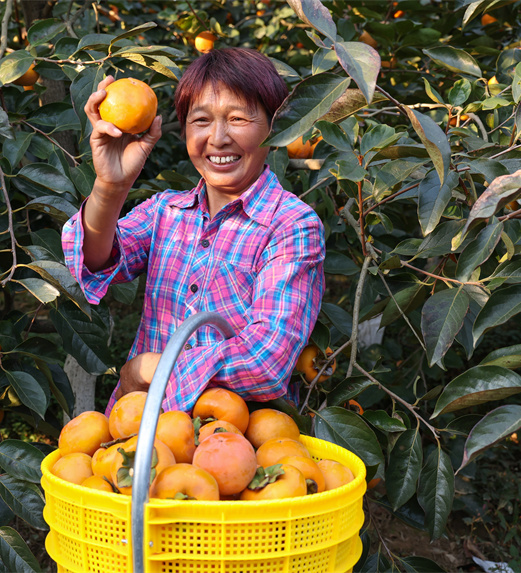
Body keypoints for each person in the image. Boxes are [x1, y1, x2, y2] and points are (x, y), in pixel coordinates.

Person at [61, 48, 325, 414]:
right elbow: (94, 259)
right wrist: (110, 184)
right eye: (200, 120)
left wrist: (146, 369)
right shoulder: (166, 212)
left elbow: (266, 360)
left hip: (230, 443)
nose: (218, 138)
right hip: (141, 435)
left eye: (237, 118)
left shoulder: (290, 226)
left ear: (276, 126)